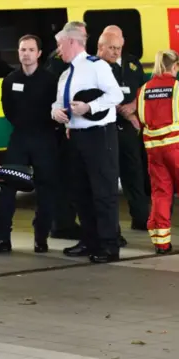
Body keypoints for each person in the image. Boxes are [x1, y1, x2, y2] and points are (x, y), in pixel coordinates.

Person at [51, 22, 124, 263]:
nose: (57, 50)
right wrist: (56, 113)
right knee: (80, 192)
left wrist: (89, 107)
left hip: (99, 135)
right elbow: (58, 102)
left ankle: (108, 245)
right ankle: (89, 240)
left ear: (71, 42)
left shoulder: (97, 66)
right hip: (75, 136)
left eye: (59, 44)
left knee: (103, 192)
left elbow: (116, 95)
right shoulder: (65, 74)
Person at [0, 34, 58, 254]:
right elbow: (8, 110)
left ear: (38, 54)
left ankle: (41, 237)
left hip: (45, 139)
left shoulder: (50, 80)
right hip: (19, 138)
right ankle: (1, 238)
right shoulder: (10, 80)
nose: (25, 54)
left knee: (45, 190)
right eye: (22, 50)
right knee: (7, 186)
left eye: (30, 50)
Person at [128, 50, 179, 254]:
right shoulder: (176, 87)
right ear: (174, 66)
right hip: (176, 147)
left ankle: (161, 243)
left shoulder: (143, 90)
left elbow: (140, 121)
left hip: (154, 151)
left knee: (161, 194)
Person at [101, 26, 150, 230]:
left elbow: (142, 90)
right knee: (108, 179)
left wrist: (133, 107)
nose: (115, 52)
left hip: (130, 129)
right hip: (107, 129)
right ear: (101, 46)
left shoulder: (132, 63)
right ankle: (111, 227)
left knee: (135, 174)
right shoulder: (97, 66)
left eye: (118, 47)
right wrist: (124, 111)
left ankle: (141, 218)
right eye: (111, 47)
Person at [45, 21, 86, 241]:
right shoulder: (59, 62)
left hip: (70, 125)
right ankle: (63, 224)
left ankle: (64, 222)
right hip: (64, 128)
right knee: (66, 178)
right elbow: (58, 95)